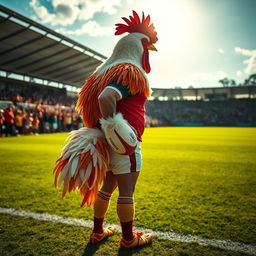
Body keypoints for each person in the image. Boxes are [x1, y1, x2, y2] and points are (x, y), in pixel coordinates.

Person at [53, 11, 157, 249]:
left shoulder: (100, 74)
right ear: (137, 46)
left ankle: (98, 231)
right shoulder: (129, 70)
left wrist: (106, 130)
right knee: (127, 192)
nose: (149, 47)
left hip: (103, 143)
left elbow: (99, 99)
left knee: (107, 188)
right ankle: (129, 239)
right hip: (121, 142)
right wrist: (115, 128)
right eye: (146, 43)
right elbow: (106, 97)